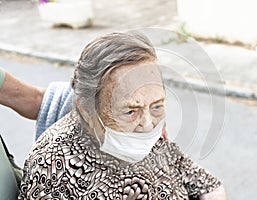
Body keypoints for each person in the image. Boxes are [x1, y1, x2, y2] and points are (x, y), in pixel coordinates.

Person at [18, 32, 227, 199]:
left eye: (157, 106)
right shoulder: (53, 170)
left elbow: (208, 185)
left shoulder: (151, 133)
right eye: (129, 111)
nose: (147, 125)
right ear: (86, 109)